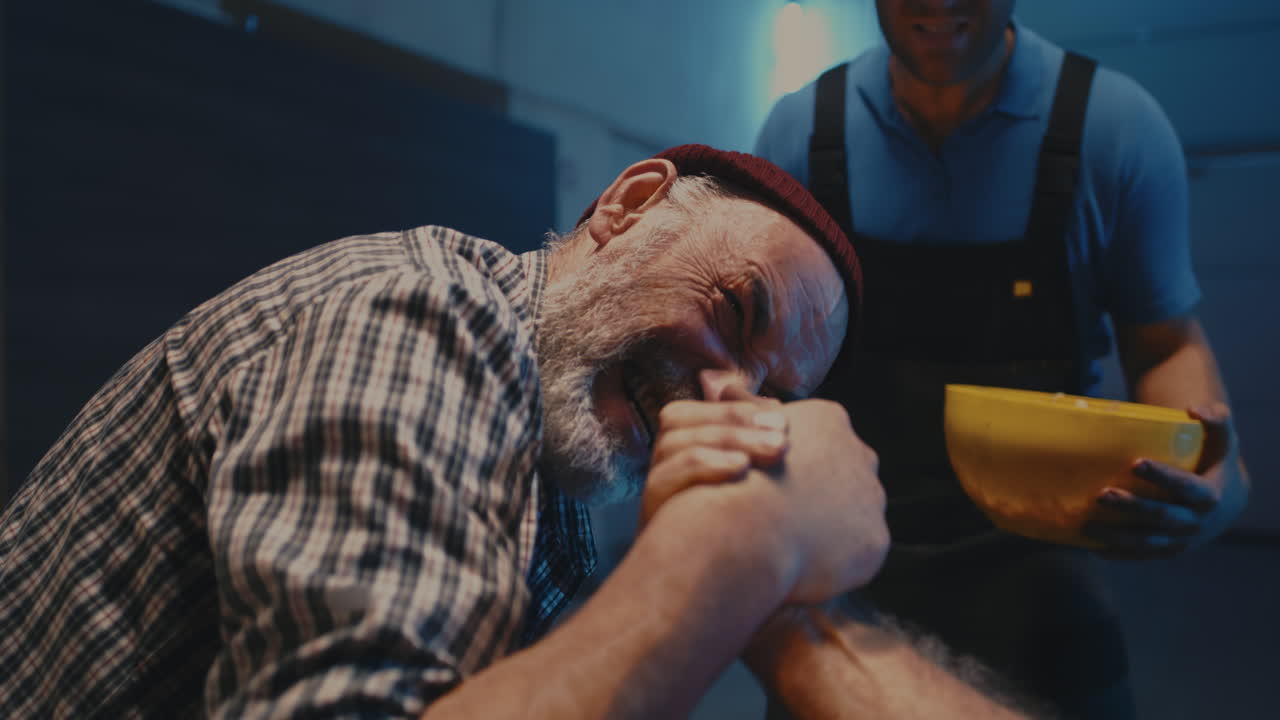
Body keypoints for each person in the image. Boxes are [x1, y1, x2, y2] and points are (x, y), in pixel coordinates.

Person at [0, 144, 1038, 719]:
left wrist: (770, 596)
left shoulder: (563, 480)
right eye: (734, 312)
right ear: (629, 204)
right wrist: (745, 547)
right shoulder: (421, 312)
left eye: (763, 399)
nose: (717, 399)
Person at [754, 1, 1250, 718]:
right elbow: (759, 360)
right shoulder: (800, 132)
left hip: (1040, 558)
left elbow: (1165, 341)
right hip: (843, 557)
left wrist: (1212, 478)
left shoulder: (1112, 128)